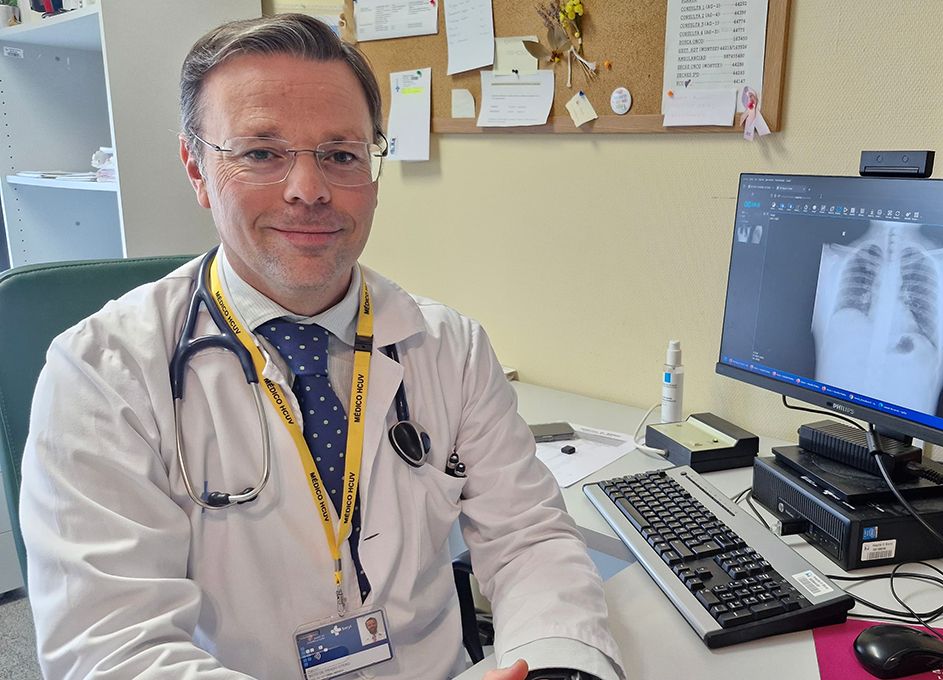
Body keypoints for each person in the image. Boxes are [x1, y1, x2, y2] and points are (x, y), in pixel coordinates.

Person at [19, 14, 622, 680]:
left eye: (341, 154)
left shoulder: (451, 347)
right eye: (260, 153)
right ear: (195, 167)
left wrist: (558, 667)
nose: (309, 190)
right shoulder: (103, 374)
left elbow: (530, 540)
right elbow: (111, 648)